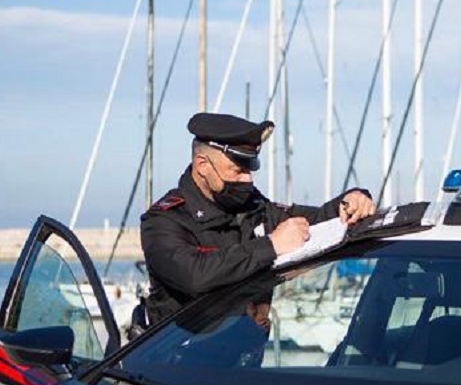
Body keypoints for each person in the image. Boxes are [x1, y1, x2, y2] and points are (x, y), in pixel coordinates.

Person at [138, 112, 375, 326]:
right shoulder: (164, 221)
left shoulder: (252, 206)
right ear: (203, 166)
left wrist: (351, 200)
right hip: (175, 367)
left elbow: (317, 221)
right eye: (237, 171)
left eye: (250, 170)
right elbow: (195, 275)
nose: (247, 180)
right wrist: (271, 245)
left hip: (243, 364)